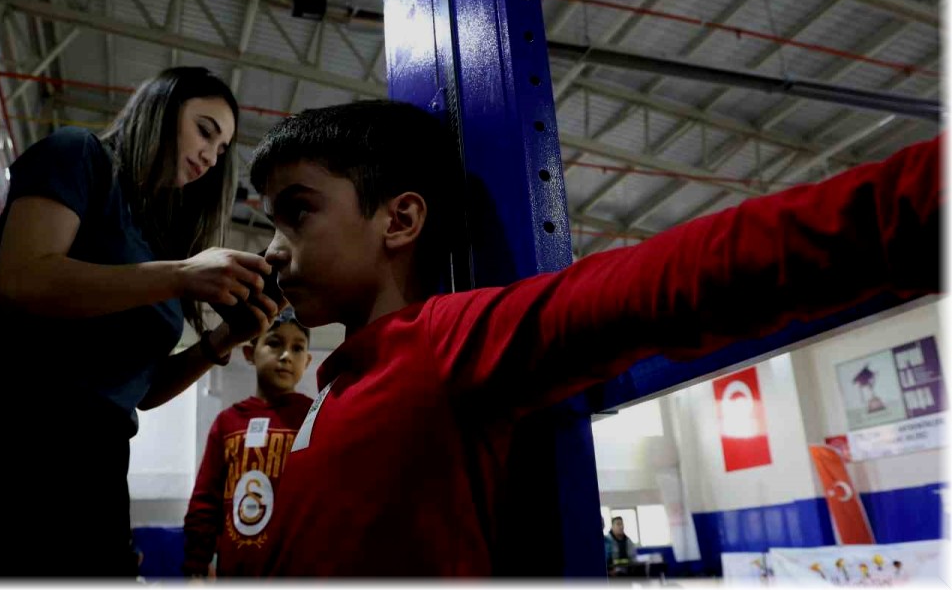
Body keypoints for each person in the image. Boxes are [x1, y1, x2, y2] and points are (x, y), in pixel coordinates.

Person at [244, 100, 941, 576]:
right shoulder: (332, 389)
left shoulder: (439, 343)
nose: (272, 250)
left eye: (297, 214)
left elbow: (682, 276)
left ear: (399, 220)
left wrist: (913, 200)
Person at [0, 67, 281, 578]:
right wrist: (180, 275)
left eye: (222, 149)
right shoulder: (78, 156)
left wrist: (223, 339)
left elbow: (139, 390)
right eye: (205, 131)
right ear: (161, 108)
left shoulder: (156, 240)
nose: (211, 155)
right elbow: (23, 279)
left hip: (94, 460)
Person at [182, 309, 314, 578]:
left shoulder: (315, 418)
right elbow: (205, 501)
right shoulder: (227, 423)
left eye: (297, 348)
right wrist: (196, 566)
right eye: (274, 343)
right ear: (249, 353)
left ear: (307, 361)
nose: (286, 356)